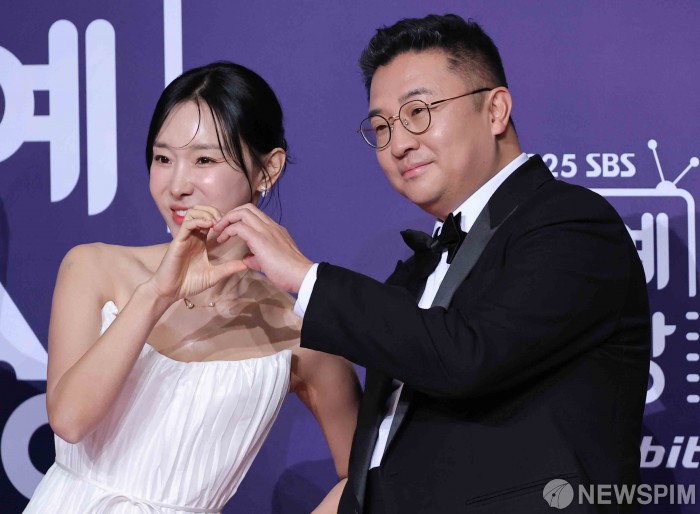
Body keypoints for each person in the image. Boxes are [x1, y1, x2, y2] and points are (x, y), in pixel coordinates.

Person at [213, 14, 652, 514]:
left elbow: (469, 356)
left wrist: (304, 275)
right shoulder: (416, 273)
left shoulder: (572, 223)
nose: (399, 143)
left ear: (495, 110)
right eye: (382, 126)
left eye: (418, 112)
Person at [24, 61, 360, 514]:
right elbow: (69, 420)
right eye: (163, 158)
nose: (177, 185)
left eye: (204, 160)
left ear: (268, 169)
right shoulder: (94, 267)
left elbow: (365, 477)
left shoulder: (298, 333)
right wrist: (157, 293)